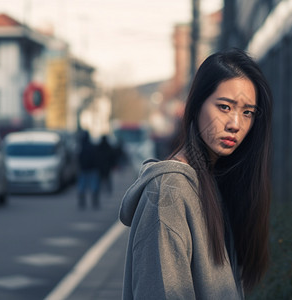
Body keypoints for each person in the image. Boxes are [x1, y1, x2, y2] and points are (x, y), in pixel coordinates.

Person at [119, 48, 272, 299]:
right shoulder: (168, 193)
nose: (236, 123)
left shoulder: (214, 184)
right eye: (224, 107)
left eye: (248, 112)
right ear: (196, 105)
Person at [77, 130, 100, 209]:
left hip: (84, 169)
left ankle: (82, 202)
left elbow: (79, 158)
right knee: (94, 186)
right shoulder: (92, 146)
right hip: (92, 169)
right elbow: (96, 158)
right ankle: (95, 202)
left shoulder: (81, 147)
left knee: (82, 186)